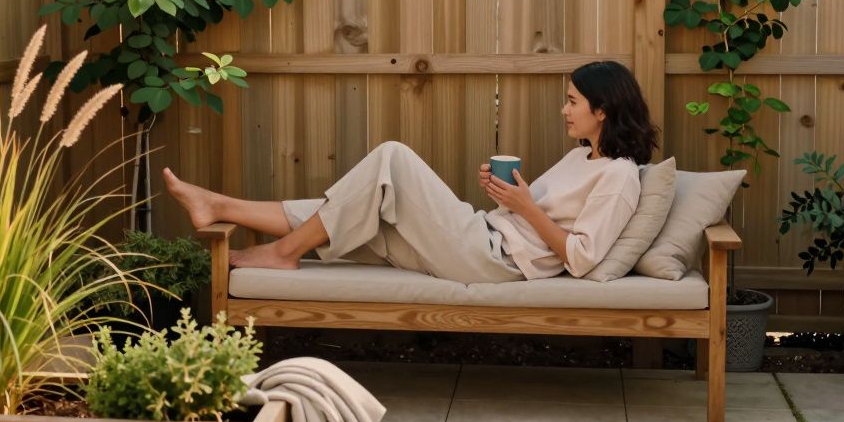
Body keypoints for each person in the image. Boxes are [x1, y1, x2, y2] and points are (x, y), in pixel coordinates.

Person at [163, 60, 659, 283]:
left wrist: (524, 206)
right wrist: (504, 197)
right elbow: (530, 218)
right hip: (481, 236)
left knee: (392, 158)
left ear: (604, 110)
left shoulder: (618, 176)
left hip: (494, 262)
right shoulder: (582, 157)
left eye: (572, 101)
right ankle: (221, 205)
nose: (563, 110)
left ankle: (282, 253)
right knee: (350, 209)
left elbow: (582, 259)